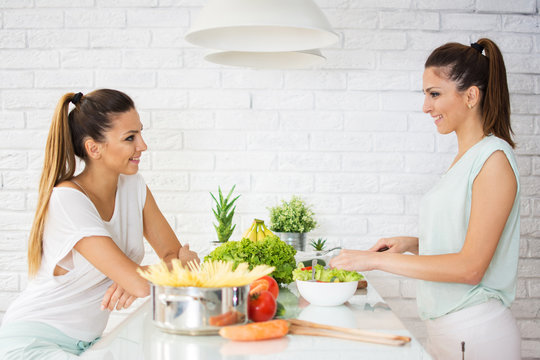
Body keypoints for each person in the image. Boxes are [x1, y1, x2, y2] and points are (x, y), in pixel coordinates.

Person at [330, 38, 521, 360]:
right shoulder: (468, 158)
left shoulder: (493, 160)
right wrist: (415, 243)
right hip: (450, 330)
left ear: (471, 95)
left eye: (435, 94)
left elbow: (470, 269)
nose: (425, 107)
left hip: (476, 332)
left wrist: (376, 260)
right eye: (426, 95)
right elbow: (470, 238)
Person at [0, 89, 200, 359]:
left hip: (88, 345)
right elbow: (145, 282)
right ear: (93, 148)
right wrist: (139, 275)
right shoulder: (67, 201)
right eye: (130, 137)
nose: (143, 145)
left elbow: (175, 258)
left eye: (140, 133)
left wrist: (146, 272)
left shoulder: (134, 186)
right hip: (34, 343)